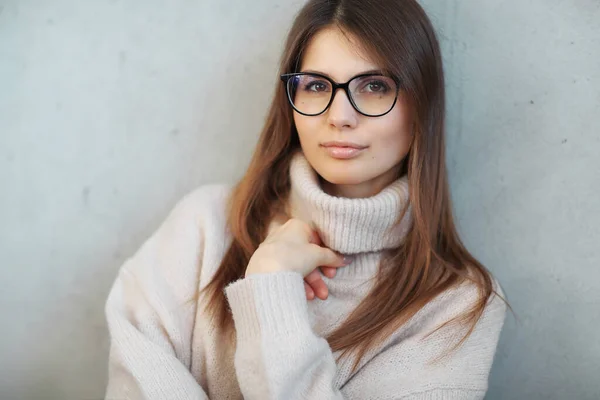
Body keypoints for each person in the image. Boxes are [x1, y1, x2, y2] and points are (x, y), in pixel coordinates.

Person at [104, 0, 509, 399]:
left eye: (374, 86)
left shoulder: (458, 304)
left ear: (422, 102)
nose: (340, 115)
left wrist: (269, 289)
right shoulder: (206, 225)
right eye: (317, 85)